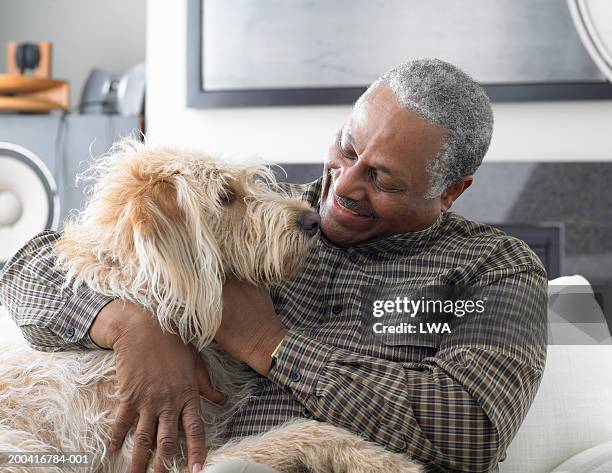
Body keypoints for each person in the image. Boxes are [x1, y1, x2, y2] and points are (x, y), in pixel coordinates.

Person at [0, 59, 548, 473]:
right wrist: (130, 326)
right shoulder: (259, 215)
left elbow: (473, 428)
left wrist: (271, 345)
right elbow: (31, 268)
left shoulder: (493, 271)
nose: (343, 188)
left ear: (450, 192)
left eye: (381, 178)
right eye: (346, 148)